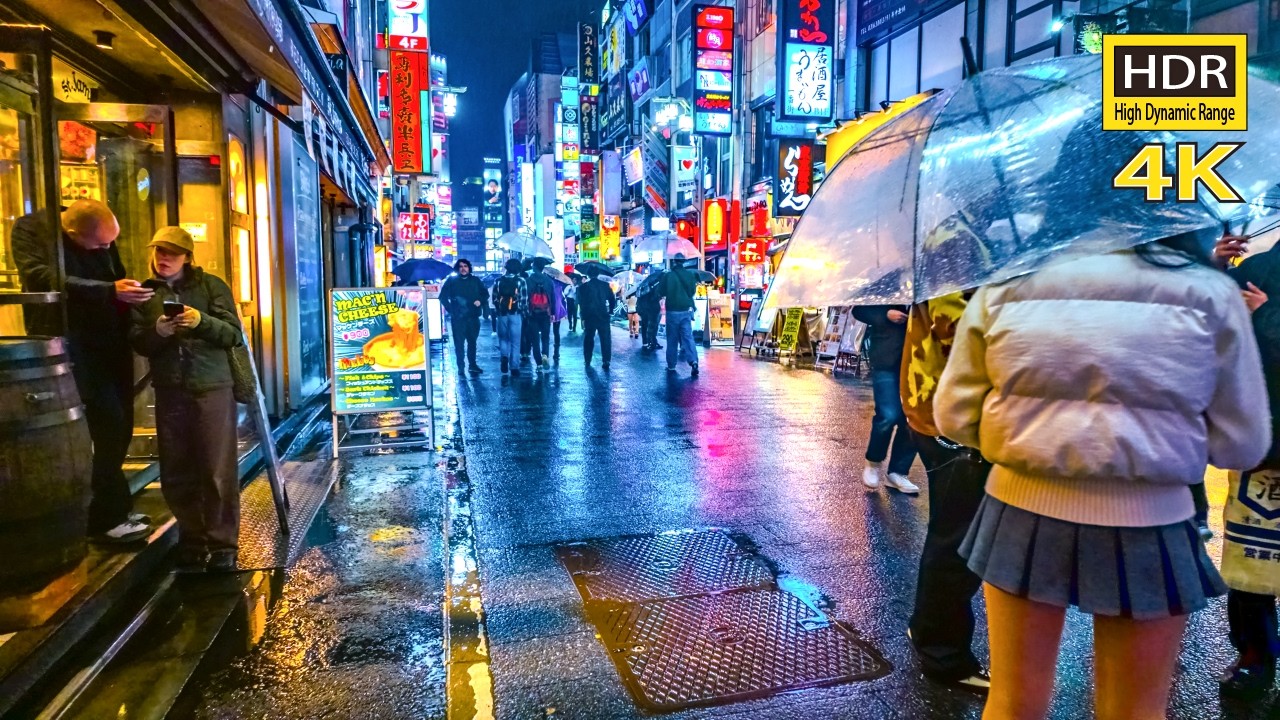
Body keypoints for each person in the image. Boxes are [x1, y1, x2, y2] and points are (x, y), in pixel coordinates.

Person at [935, 234, 1270, 720]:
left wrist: (1029, 431)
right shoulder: (1209, 293)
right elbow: (1242, 443)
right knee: (1135, 710)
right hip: (1154, 522)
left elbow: (953, 415)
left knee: (1013, 703)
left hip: (1020, 512)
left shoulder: (1010, 282)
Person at [11, 200, 155, 544]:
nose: (107, 248)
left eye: (110, 242)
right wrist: (109, 291)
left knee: (119, 426)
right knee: (104, 424)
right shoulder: (33, 230)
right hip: (71, 344)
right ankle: (105, 518)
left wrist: (128, 296)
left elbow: (112, 275)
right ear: (73, 233)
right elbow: (40, 278)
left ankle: (112, 507)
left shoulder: (95, 228)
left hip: (109, 341)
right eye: (101, 244)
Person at [129, 227, 243, 572]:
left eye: (172, 253)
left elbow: (232, 334)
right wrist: (158, 333)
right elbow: (137, 341)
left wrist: (200, 320)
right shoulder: (145, 294)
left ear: (187, 258)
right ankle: (192, 539)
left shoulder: (211, 287)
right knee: (177, 469)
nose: (164, 258)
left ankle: (223, 544)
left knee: (217, 469)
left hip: (211, 387)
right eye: (160, 251)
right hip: (170, 389)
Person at [1219, 239, 1280, 699]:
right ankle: (1254, 654)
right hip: (1261, 444)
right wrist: (1212, 265)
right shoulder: (1257, 268)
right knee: (1250, 568)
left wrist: (1267, 319)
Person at [851, 304, 918, 494]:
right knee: (888, 414)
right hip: (887, 358)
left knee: (912, 418)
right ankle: (873, 461)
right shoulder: (887, 278)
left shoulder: (928, 281)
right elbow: (858, 310)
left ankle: (898, 472)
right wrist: (885, 314)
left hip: (918, 359)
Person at [438, 258, 486, 375]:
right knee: (459, 344)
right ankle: (460, 367)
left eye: (465, 266)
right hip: (458, 318)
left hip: (473, 317)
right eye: (461, 266)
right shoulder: (452, 281)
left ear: (469, 268)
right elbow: (442, 297)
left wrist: (480, 300)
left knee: (472, 342)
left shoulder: (475, 280)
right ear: (457, 268)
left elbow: (485, 294)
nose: (463, 268)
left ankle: (472, 365)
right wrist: (451, 310)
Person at [660, 255, 698, 376]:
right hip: (685, 311)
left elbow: (661, 292)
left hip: (672, 311)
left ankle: (671, 365)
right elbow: (692, 292)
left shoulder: (668, 275)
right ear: (684, 262)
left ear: (674, 262)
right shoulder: (690, 275)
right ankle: (693, 361)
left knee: (672, 338)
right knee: (688, 337)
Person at [492, 258, 527, 376]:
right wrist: (524, 314)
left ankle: (504, 357)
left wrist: (499, 310)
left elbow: (494, 298)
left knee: (503, 339)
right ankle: (514, 367)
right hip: (516, 314)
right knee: (515, 342)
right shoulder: (521, 281)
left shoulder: (498, 281)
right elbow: (523, 300)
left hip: (502, 315)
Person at [577, 271, 616, 369]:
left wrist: (583, 316)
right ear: (598, 274)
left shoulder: (583, 287)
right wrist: (610, 310)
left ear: (588, 274)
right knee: (605, 338)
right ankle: (606, 360)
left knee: (589, 338)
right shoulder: (605, 285)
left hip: (589, 316)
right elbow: (612, 299)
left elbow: (580, 302)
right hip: (603, 315)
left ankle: (587, 359)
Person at [524, 263, 555, 370]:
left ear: (533, 267)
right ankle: (545, 355)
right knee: (545, 337)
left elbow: (525, 297)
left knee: (535, 339)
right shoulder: (548, 281)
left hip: (532, 313)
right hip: (545, 312)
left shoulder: (528, 280)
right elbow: (552, 297)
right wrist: (553, 312)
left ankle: (539, 363)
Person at [637, 277, 663, 351]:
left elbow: (639, 299)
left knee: (645, 325)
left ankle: (645, 342)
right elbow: (654, 299)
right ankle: (651, 342)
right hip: (652, 310)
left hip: (643, 309)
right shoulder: (653, 288)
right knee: (653, 326)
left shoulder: (642, 287)